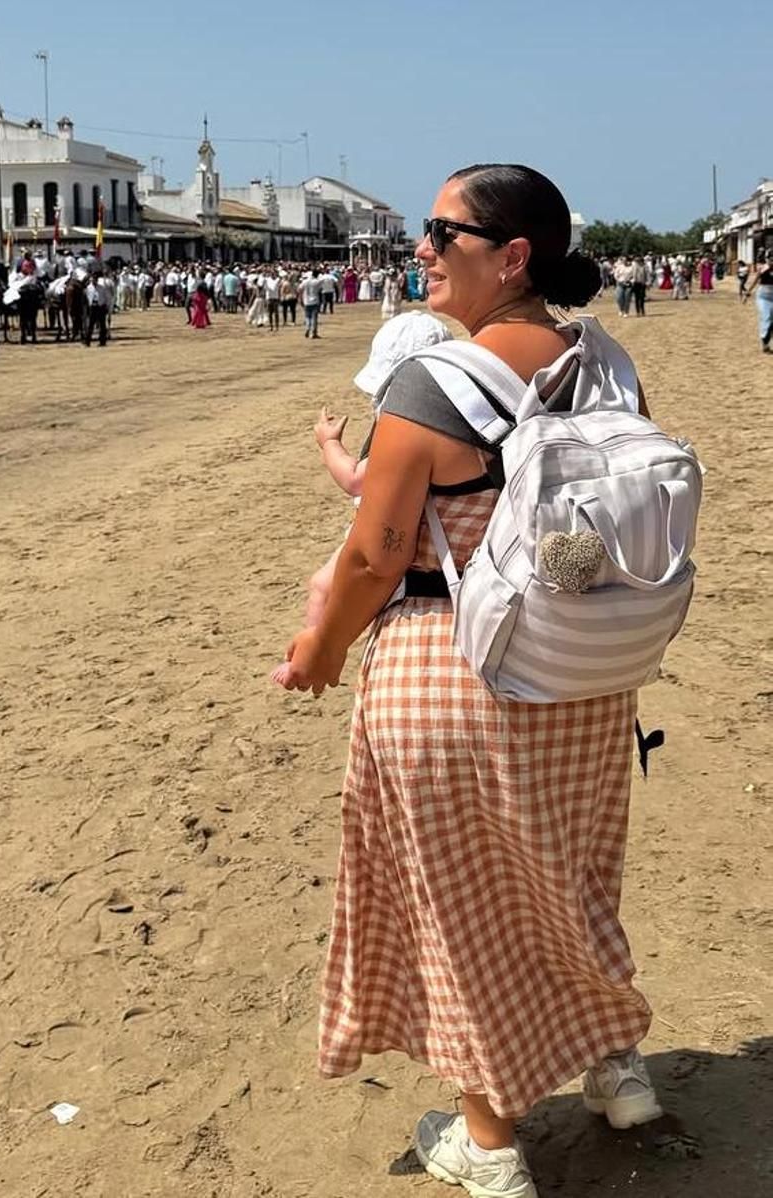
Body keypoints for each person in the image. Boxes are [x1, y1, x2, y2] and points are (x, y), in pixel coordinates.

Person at [277, 164, 662, 1198]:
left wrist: (316, 655)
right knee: (571, 874)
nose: (420, 247)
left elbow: (373, 554)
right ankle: (612, 1061)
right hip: (583, 673)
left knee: (467, 909)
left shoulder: (434, 384)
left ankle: (487, 1139)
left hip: (456, 670)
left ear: (512, 255)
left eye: (440, 232)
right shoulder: (606, 364)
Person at [270, 311, 453, 674]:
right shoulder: (448, 412)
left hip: (386, 523)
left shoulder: (407, 421)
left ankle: (318, 652)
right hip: (411, 523)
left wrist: (328, 444)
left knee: (323, 586)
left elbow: (355, 479)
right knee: (328, 586)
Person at [744, 255, 773, 352]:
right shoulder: (762, 268)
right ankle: (764, 341)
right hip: (763, 297)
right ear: (767, 259)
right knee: (766, 317)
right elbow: (755, 281)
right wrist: (748, 293)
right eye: (770, 259)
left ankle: (766, 341)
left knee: (771, 321)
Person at [299, 268, 323, 338]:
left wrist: (301, 299)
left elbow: (300, 289)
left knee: (307, 317)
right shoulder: (317, 282)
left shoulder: (305, 281)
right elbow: (320, 289)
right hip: (315, 301)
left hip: (306, 301)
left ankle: (307, 328)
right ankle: (313, 332)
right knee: (314, 318)